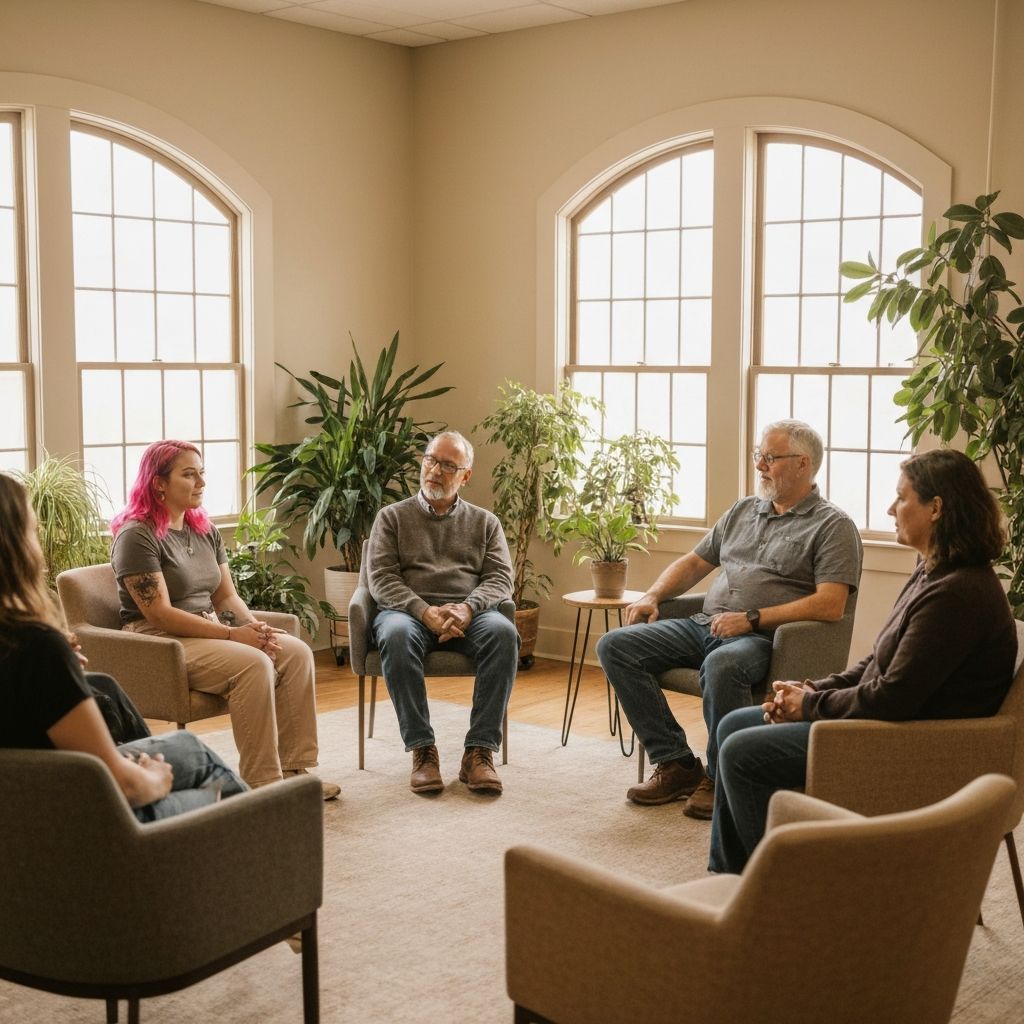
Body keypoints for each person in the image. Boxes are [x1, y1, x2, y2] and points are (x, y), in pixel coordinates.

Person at [710, 448, 1017, 873]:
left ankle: (779, 895)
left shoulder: (958, 595)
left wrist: (811, 706)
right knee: (732, 726)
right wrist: (814, 688)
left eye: (901, 497)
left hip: (908, 743)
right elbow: (878, 662)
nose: (891, 509)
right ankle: (731, 879)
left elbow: (893, 696)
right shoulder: (934, 572)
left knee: (744, 751)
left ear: (936, 509)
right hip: (892, 722)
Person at [597, 420, 862, 819]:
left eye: (770, 458)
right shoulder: (743, 510)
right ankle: (676, 763)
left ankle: (722, 778)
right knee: (616, 646)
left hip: (764, 639)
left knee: (723, 663)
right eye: (759, 455)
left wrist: (752, 619)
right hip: (705, 624)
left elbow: (830, 605)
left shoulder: (832, 525)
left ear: (803, 464)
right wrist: (653, 595)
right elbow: (694, 562)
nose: (759, 465)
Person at [0, 472, 246, 822]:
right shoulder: (35, 647)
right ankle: (263, 854)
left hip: (21, 809)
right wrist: (153, 777)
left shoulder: (32, 646)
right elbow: (123, 786)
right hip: (69, 816)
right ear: (16, 548)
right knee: (205, 768)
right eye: (33, 531)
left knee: (104, 686)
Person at [109, 440, 339, 800]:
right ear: (159, 483)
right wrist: (233, 635)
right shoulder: (135, 536)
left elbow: (225, 596)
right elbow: (160, 613)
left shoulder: (204, 530)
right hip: (159, 640)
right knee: (252, 665)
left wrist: (254, 628)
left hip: (208, 630)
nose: (201, 482)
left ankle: (296, 768)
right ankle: (263, 785)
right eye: (189, 474)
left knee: (294, 653)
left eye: (202, 473)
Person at [367, 430, 519, 795]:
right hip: (408, 613)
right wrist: (424, 612)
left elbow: (501, 578)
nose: (434, 470)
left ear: (465, 476)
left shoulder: (485, 522)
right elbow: (381, 579)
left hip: (471, 613)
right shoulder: (391, 518)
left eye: (447, 465)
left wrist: (468, 608)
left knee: (503, 633)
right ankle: (423, 750)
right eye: (430, 459)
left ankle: (479, 751)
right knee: (395, 634)